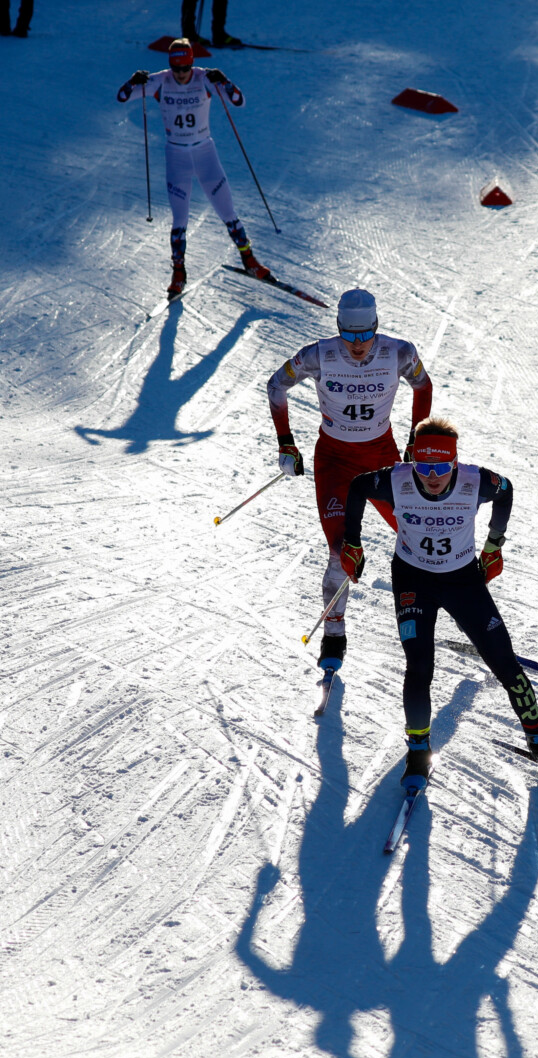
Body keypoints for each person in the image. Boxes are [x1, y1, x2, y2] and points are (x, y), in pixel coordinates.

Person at [340, 416, 538, 789]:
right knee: (419, 665)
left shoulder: (475, 480)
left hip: (462, 580)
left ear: (455, 462)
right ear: (412, 461)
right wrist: (351, 542)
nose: (431, 476)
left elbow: (506, 491)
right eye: (423, 466)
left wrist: (494, 545)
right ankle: (418, 749)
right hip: (413, 582)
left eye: (440, 466)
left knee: (504, 660)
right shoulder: (396, 479)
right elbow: (356, 488)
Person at [266, 288, 433, 671]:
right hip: (335, 461)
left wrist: (415, 440)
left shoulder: (399, 352)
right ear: (338, 328)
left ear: (376, 327)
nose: (357, 345)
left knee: (418, 529)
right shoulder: (318, 355)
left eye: (365, 335)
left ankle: (458, 604)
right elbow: (276, 385)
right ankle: (334, 634)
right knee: (341, 553)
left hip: (381, 457)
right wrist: (286, 443)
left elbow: (423, 386)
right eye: (349, 335)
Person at [117, 38, 268, 299]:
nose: (181, 75)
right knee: (179, 220)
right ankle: (178, 273)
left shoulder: (204, 78)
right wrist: (133, 80)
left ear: (192, 64)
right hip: (176, 155)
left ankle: (249, 260)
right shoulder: (160, 81)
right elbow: (122, 97)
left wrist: (226, 80)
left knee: (227, 211)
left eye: (185, 69)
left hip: (204, 152)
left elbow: (238, 101)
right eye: (176, 70)